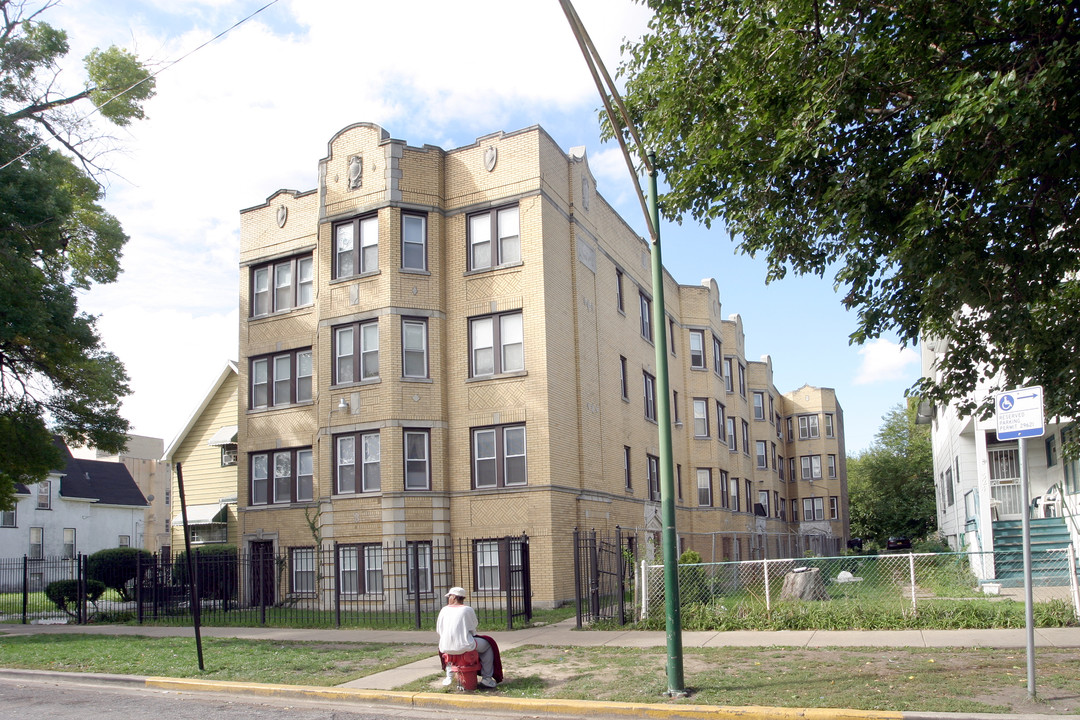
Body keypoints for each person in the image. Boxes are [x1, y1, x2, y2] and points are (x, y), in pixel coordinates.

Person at [435, 586, 497, 688]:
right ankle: (487, 678)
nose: (448, 598)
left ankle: (449, 676)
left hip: (445, 645)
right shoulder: (467, 610)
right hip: (465, 645)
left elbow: (439, 630)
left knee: (450, 649)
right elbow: (473, 627)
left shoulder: (444, 610)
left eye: (449, 596)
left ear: (454, 597)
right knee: (488, 646)